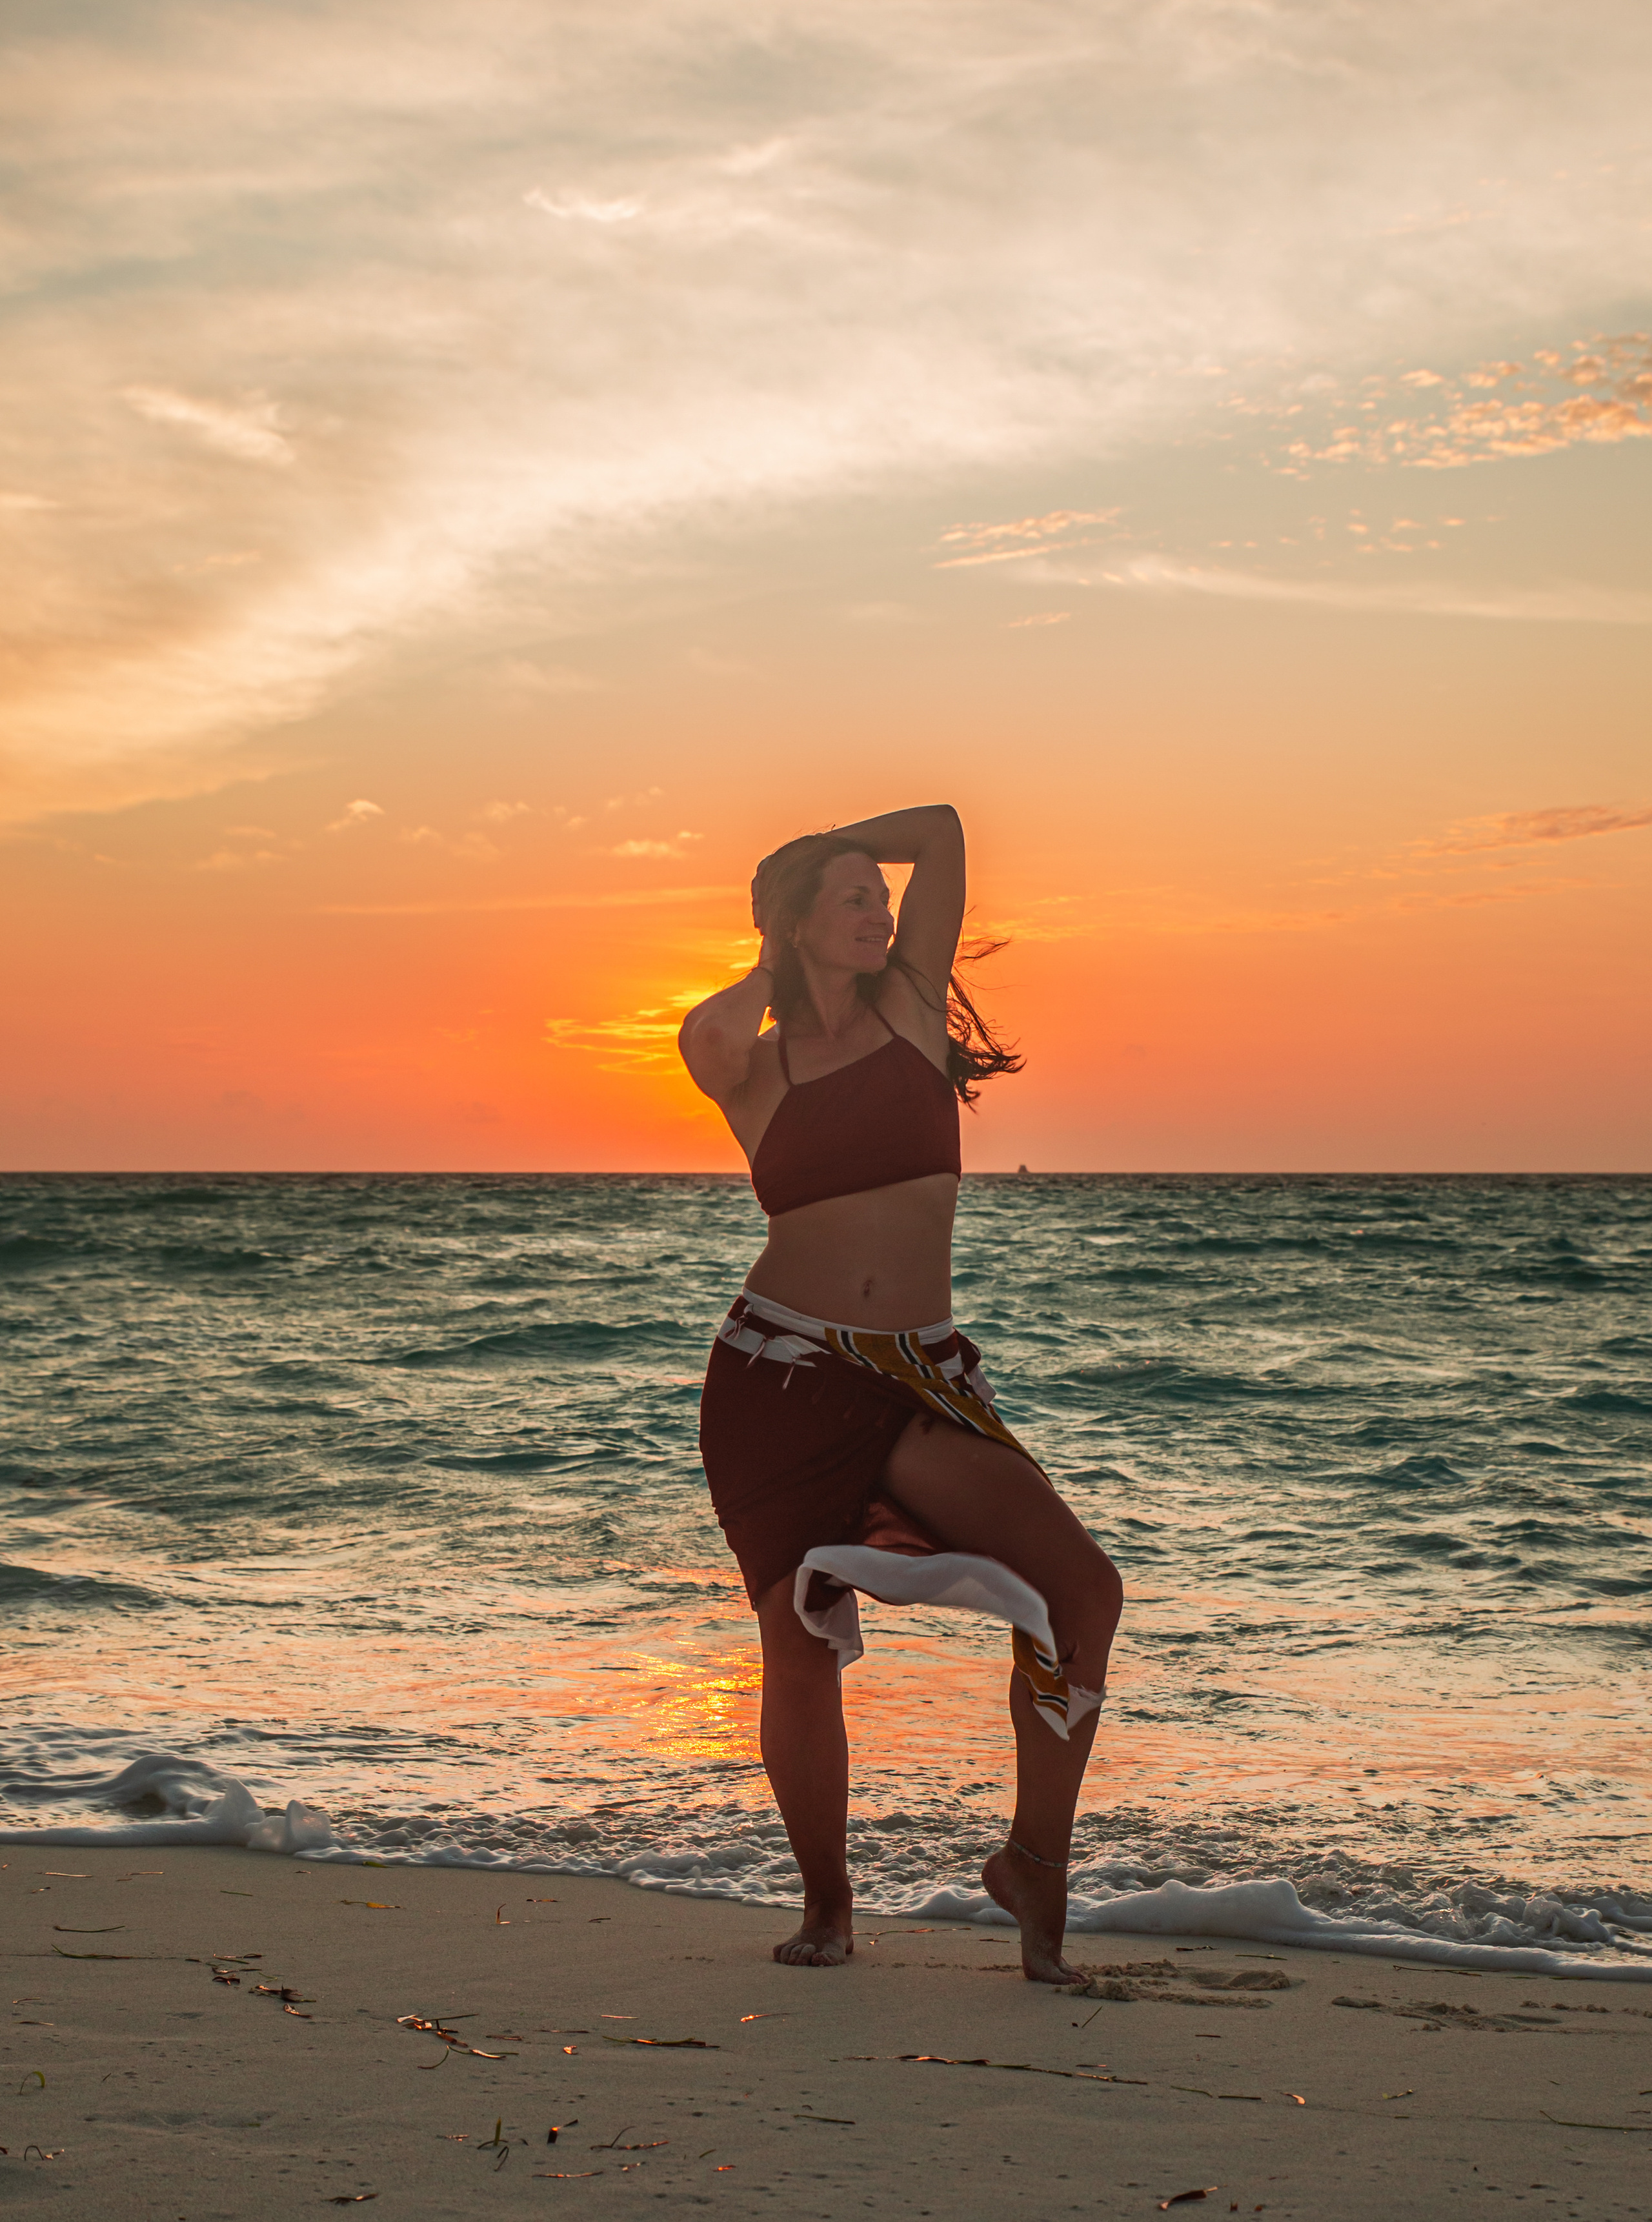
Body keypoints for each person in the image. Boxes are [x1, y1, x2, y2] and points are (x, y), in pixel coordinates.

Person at [678, 803, 1122, 1981]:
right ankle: (827, 1906)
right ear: (798, 926)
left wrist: (826, 847)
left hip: (915, 1374)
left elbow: (944, 826)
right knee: (796, 1638)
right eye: (853, 898)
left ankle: (1035, 1861)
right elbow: (705, 1033)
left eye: (881, 895)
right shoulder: (757, 1069)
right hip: (776, 1376)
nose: (879, 910)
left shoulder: (917, 1009)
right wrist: (775, 936)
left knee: (1083, 1588)